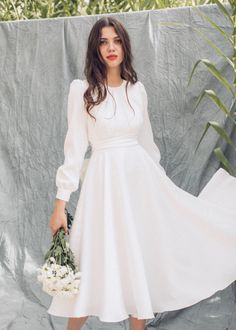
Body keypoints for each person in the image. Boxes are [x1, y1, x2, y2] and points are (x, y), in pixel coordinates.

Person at [47, 16, 236, 330]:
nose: (111, 47)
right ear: (95, 48)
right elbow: (74, 149)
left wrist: (162, 195)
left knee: (140, 262)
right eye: (103, 42)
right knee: (94, 263)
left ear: (124, 46)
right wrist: (59, 205)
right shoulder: (83, 91)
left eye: (116, 40)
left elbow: (148, 147)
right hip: (103, 188)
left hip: (140, 186)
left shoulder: (137, 90)